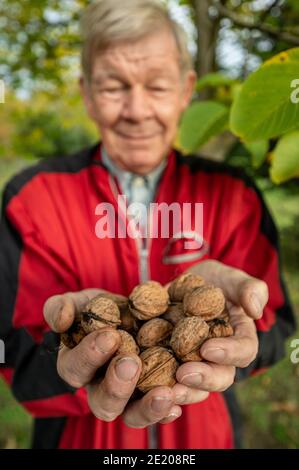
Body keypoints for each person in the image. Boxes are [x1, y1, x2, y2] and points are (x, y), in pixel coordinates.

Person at [0, 0, 295, 449]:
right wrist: (63, 358)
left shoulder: (234, 194)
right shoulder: (31, 198)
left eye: (156, 86)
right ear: (86, 92)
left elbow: (278, 321)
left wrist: (238, 334)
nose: (136, 110)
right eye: (114, 86)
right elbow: (10, 350)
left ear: (185, 89)